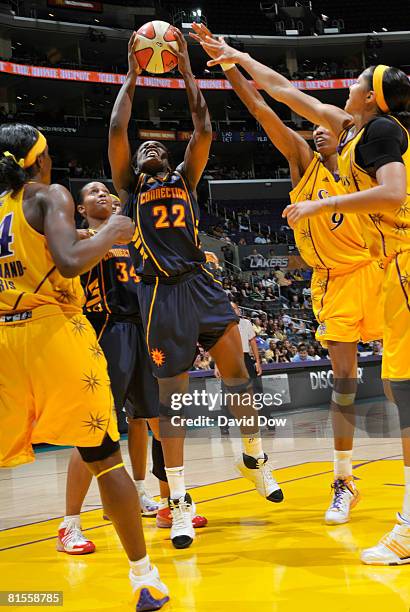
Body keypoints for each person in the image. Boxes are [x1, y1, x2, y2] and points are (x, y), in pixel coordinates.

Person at [197, 39, 410, 565]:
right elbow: (282, 92)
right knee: (381, 385)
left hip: (392, 263)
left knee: (401, 388)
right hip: (359, 274)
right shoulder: (347, 129)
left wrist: (324, 203)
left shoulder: (377, 135)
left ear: (371, 97)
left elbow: (394, 192)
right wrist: (235, 58)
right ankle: (353, 485)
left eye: (359, 82)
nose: (348, 88)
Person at [108, 30, 282, 550]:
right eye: (144, 150)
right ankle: (179, 502)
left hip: (200, 285)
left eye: (157, 145)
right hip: (160, 295)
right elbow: (119, 126)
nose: (150, 148)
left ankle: (253, 458)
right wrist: (135, 73)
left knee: (239, 377)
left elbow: (202, 124)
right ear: (135, 166)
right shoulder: (128, 188)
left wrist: (186, 67)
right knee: (173, 404)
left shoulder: (185, 177)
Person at [0, 125, 169, 609]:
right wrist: (113, 233)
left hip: (7, 338)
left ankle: (75, 526)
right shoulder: (48, 193)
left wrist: (90, 233)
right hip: (54, 333)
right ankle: (144, 577)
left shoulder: (4, 208)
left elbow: (52, 245)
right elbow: (70, 262)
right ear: (40, 160)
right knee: (101, 453)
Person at [58, 182, 208, 554]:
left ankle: (171, 506)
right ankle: (69, 524)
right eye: (92, 192)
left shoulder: (135, 235)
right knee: (94, 430)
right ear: (80, 208)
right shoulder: (81, 238)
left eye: (106, 190)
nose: (103, 194)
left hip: (145, 329)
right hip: (105, 329)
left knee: (161, 422)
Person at [215, 302, 264, 435]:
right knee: (227, 394)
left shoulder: (246, 323)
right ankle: (224, 425)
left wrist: (258, 361)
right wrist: (217, 365)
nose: (232, 310)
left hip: (246, 357)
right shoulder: (221, 325)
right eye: (229, 308)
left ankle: (264, 419)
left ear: (238, 310)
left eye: (234, 308)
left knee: (256, 391)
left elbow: (253, 341)